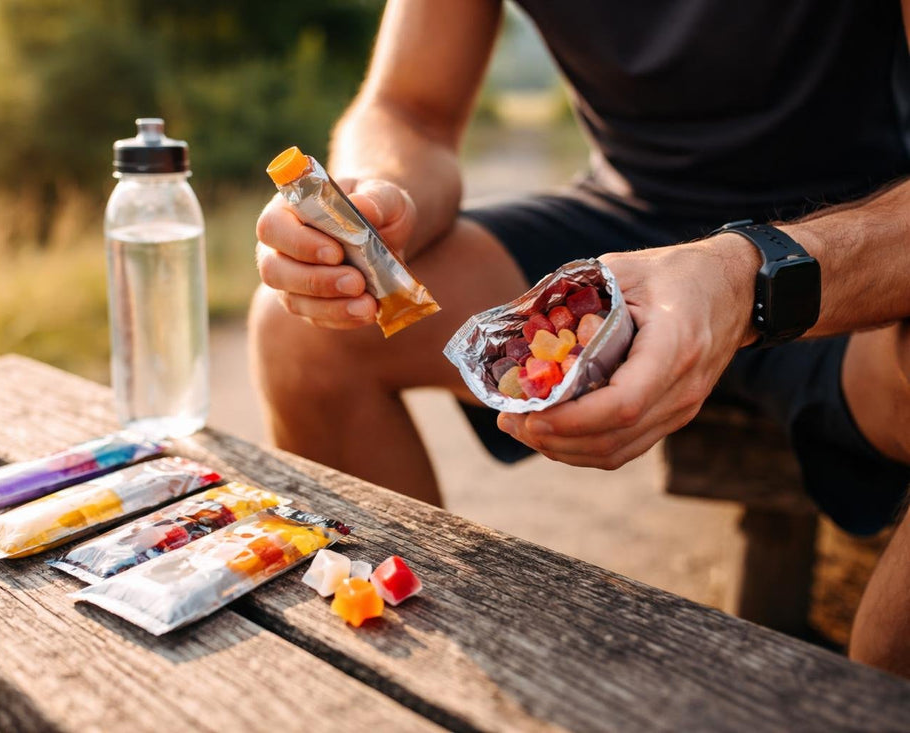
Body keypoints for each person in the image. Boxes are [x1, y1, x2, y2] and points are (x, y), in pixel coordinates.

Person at [249, 0, 910, 676]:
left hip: (855, 239)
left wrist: (745, 272)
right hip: (628, 214)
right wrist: (375, 202)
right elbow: (408, 108)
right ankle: (417, 685)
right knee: (302, 335)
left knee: (885, 660)